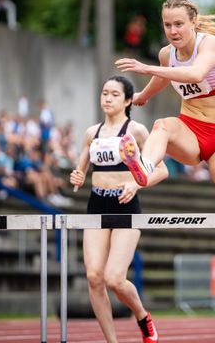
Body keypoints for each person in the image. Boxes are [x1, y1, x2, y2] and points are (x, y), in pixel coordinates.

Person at [114, 0, 215, 276]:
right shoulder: (167, 54)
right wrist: (141, 96)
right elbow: (164, 78)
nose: (173, 31)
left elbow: (196, 74)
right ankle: (144, 167)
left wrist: (145, 67)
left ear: (193, 22)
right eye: (167, 25)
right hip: (190, 131)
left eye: (178, 24)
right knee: (163, 125)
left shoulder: (209, 44)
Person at [69, 76, 168, 343]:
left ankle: (142, 316)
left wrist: (135, 185)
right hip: (97, 204)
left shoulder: (136, 131)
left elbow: (161, 170)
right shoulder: (92, 133)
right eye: (104, 93)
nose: (108, 98)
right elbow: (80, 169)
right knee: (94, 277)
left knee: (114, 278)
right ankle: (112, 341)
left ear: (127, 100)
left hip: (126, 205)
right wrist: (77, 176)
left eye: (114, 94)